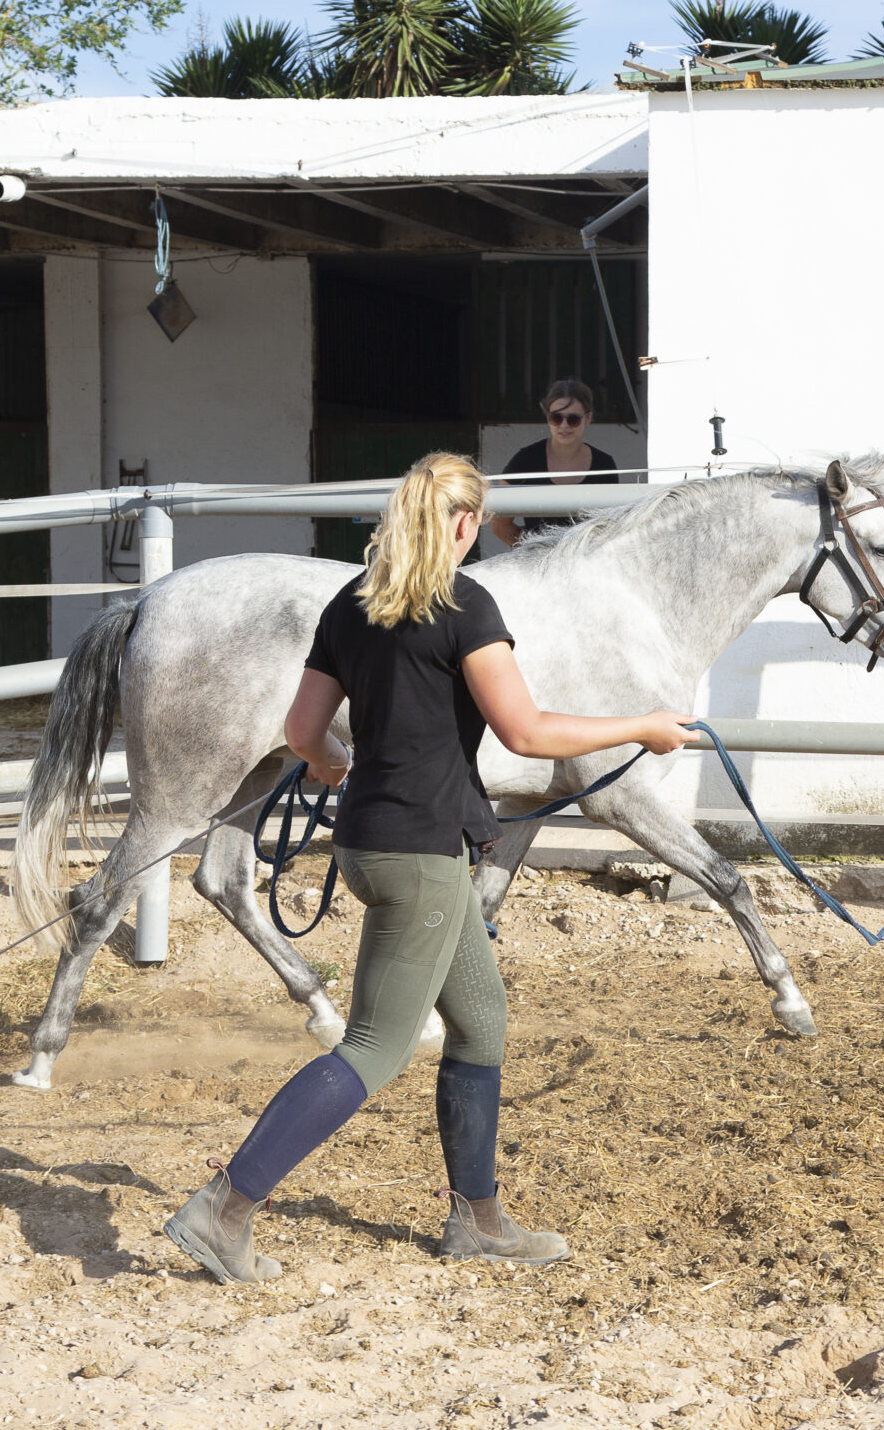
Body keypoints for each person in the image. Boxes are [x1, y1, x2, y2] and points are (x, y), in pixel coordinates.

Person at [162, 452, 695, 1283]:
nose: (474, 533)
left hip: (371, 839)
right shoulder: (464, 604)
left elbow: (304, 731)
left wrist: (337, 761)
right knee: (376, 1046)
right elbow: (524, 732)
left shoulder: (351, 603)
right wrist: (642, 726)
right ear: (459, 522)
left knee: (480, 1019)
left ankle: (478, 1218)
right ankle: (224, 1209)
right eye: (474, 520)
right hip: (422, 852)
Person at [488, 379, 621, 547]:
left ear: (588, 418)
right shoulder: (525, 460)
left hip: (585, 564)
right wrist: (531, 550)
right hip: (537, 565)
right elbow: (499, 524)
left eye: (573, 419)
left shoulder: (604, 465)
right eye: (556, 418)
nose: (564, 426)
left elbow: (609, 528)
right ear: (548, 418)